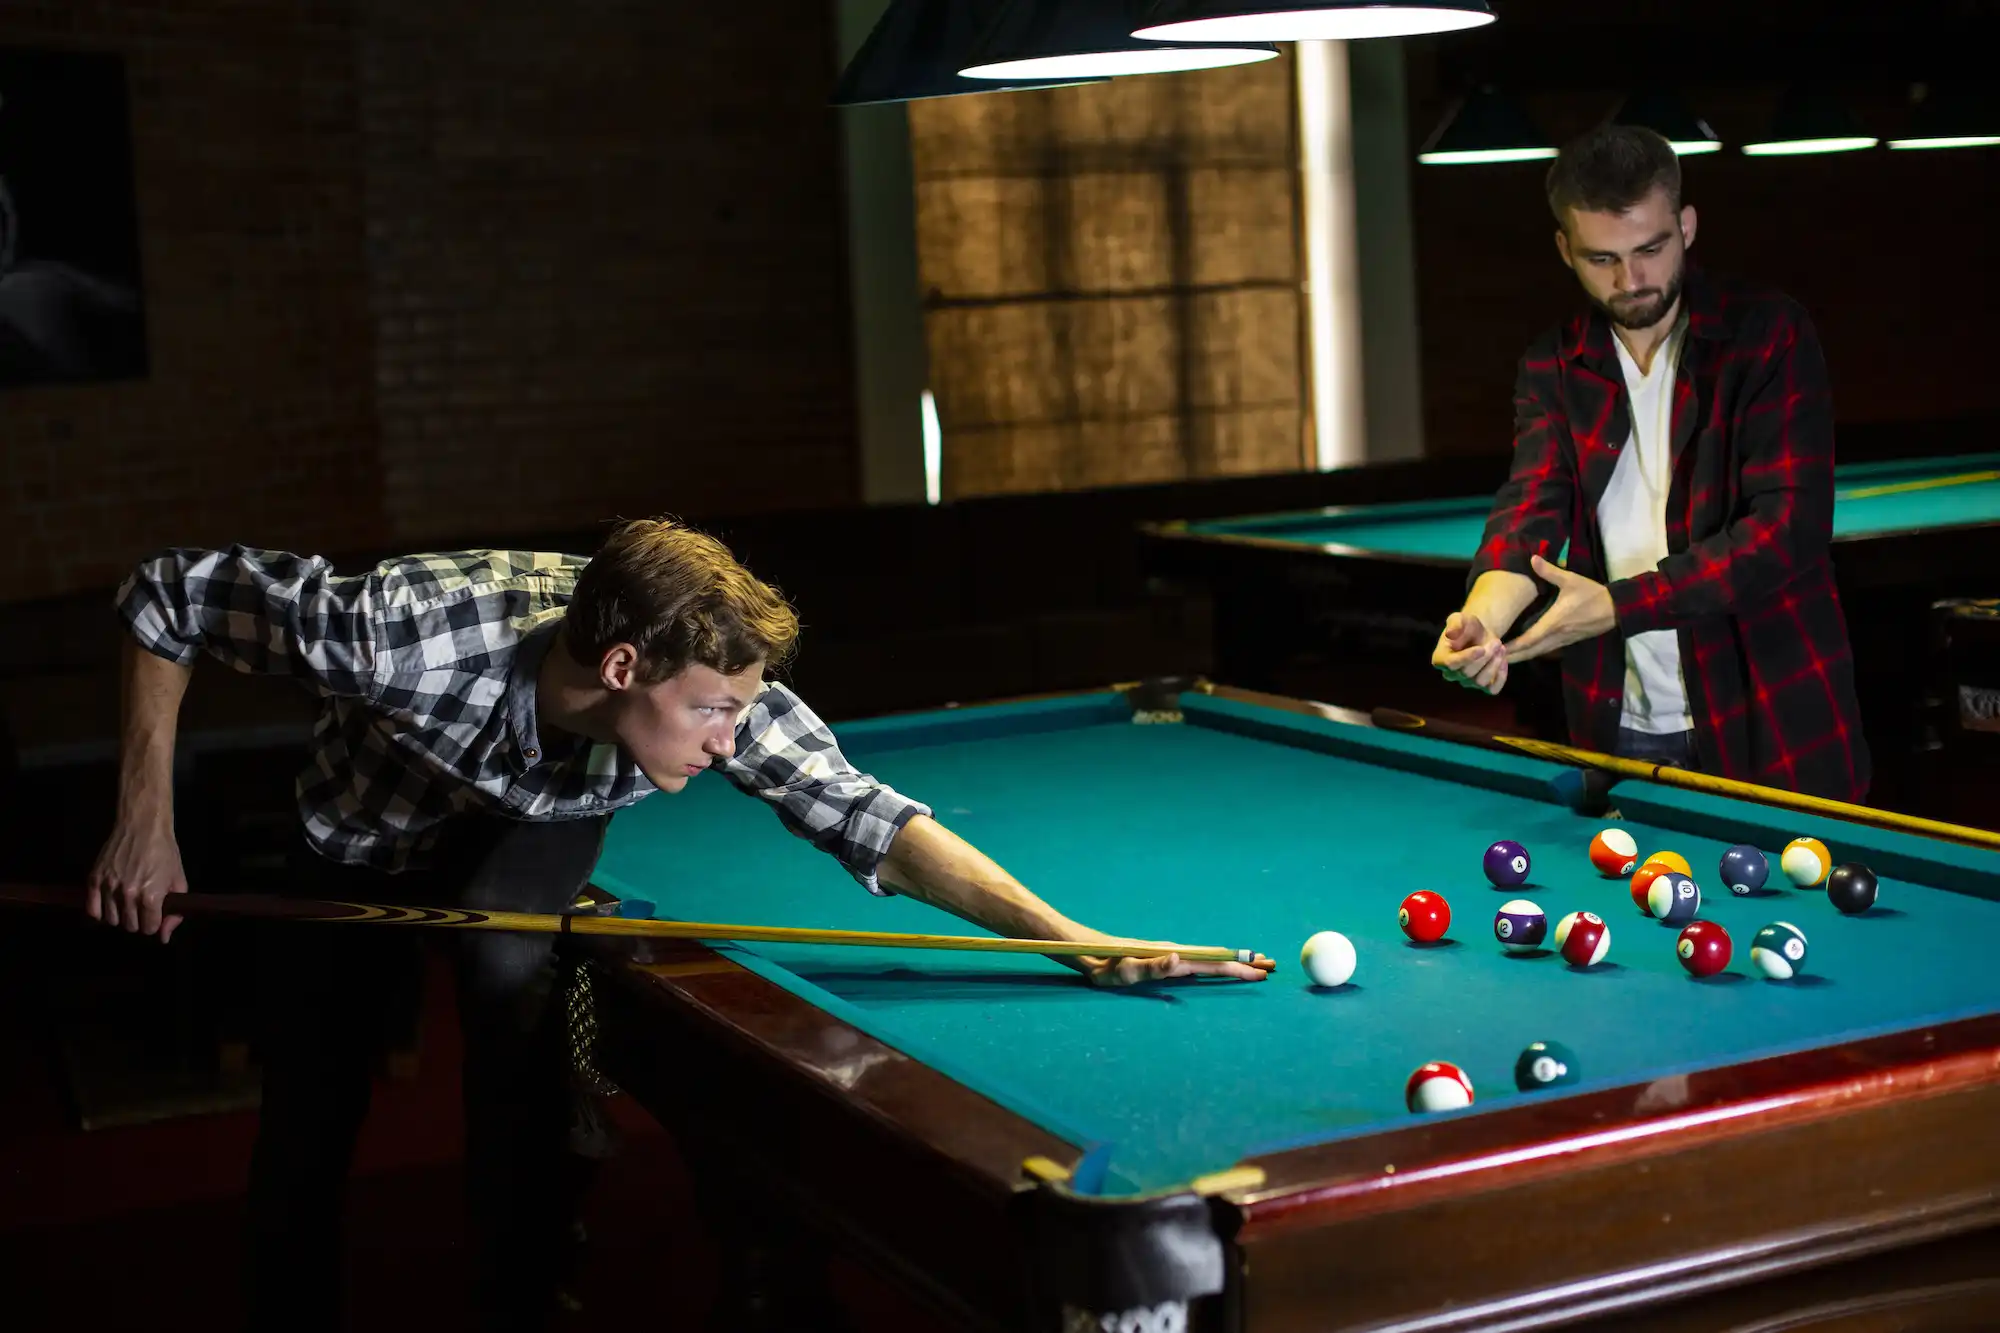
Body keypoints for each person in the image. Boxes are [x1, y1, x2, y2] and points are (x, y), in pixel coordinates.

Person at [84, 519, 1268, 1332]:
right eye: (710, 714)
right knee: (315, 1092)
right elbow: (166, 598)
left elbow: (869, 818)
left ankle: (523, 1290)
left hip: (532, 824)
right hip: (362, 829)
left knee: (512, 988)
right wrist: (145, 819)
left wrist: (1065, 934)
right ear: (616, 665)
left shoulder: (715, 684)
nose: (729, 738)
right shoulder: (399, 630)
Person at [1431, 123, 1870, 801]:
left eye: (1650, 248)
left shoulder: (1768, 334)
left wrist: (1618, 604)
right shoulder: (1553, 364)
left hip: (1772, 717)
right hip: (1622, 726)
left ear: (1686, 226)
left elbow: (1786, 531)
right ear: (1564, 250)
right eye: (1601, 258)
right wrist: (1482, 620)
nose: (1631, 279)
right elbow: (1532, 508)